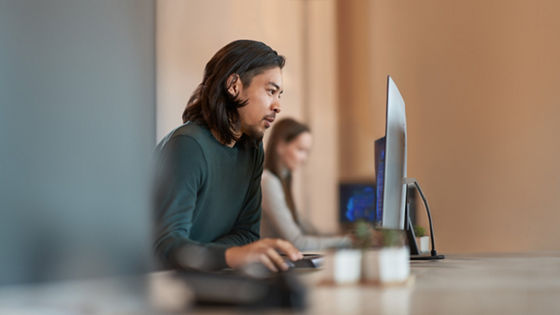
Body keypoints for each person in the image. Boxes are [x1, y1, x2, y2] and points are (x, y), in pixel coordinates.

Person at [153, 40, 302, 273]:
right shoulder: (188, 145)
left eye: (279, 94)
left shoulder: (252, 150)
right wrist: (230, 255)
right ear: (234, 85)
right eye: (271, 91)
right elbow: (166, 246)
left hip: (211, 277)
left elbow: (247, 234)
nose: (277, 106)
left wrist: (216, 256)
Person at [261, 118, 352, 251]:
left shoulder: (282, 181)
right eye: (300, 150)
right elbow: (298, 243)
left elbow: (310, 231)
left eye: (307, 152)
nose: (304, 159)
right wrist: (347, 241)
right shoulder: (268, 182)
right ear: (280, 146)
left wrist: (346, 237)